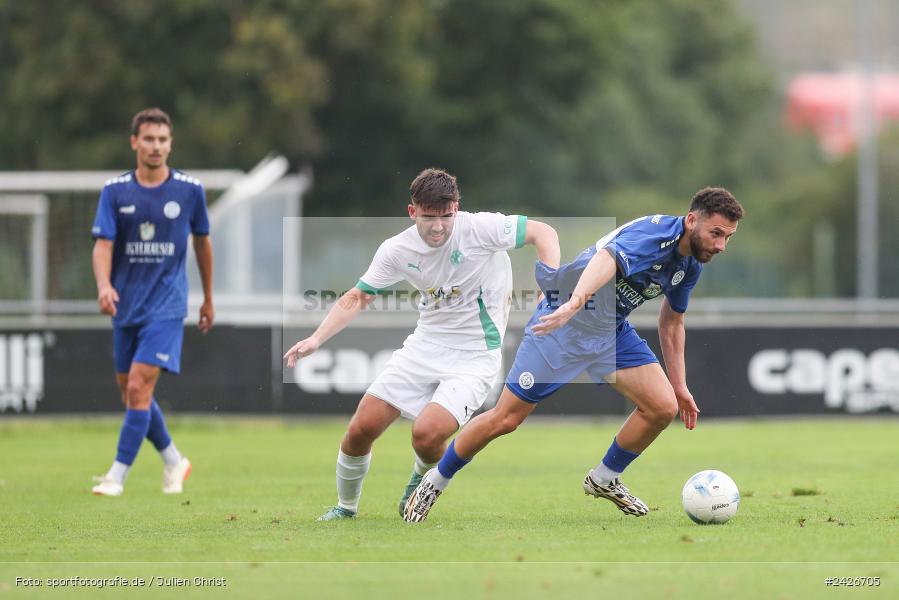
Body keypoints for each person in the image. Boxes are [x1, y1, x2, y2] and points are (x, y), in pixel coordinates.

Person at [404, 188, 744, 522]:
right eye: (716, 233)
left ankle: (604, 479)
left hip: (609, 332)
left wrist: (680, 385)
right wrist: (575, 303)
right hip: (561, 326)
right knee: (505, 419)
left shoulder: (691, 264)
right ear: (690, 221)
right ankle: (435, 481)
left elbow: (672, 321)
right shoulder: (655, 235)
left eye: (727, 237)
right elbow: (606, 257)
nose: (720, 245)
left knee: (663, 406)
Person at [284, 167, 560, 520]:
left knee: (426, 434)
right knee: (360, 429)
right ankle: (345, 509)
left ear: (456, 208)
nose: (438, 226)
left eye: (446, 216)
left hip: (475, 356)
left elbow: (544, 233)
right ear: (412, 211)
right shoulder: (397, 249)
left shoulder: (480, 228)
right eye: (429, 217)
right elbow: (358, 296)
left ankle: (419, 481)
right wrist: (316, 338)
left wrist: (549, 287)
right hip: (423, 347)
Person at [90, 108, 214, 496]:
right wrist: (103, 285)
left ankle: (116, 475)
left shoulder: (189, 190)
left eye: (162, 139)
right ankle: (175, 460)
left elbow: (202, 243)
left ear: (170, 143)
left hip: (167, 306)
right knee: (132, 392)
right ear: (134, 142)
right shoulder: (115, 191)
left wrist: (209, 297)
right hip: (125, 305)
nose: (156, 146)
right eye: (149, 139)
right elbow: (103, 244)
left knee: (140, 387)